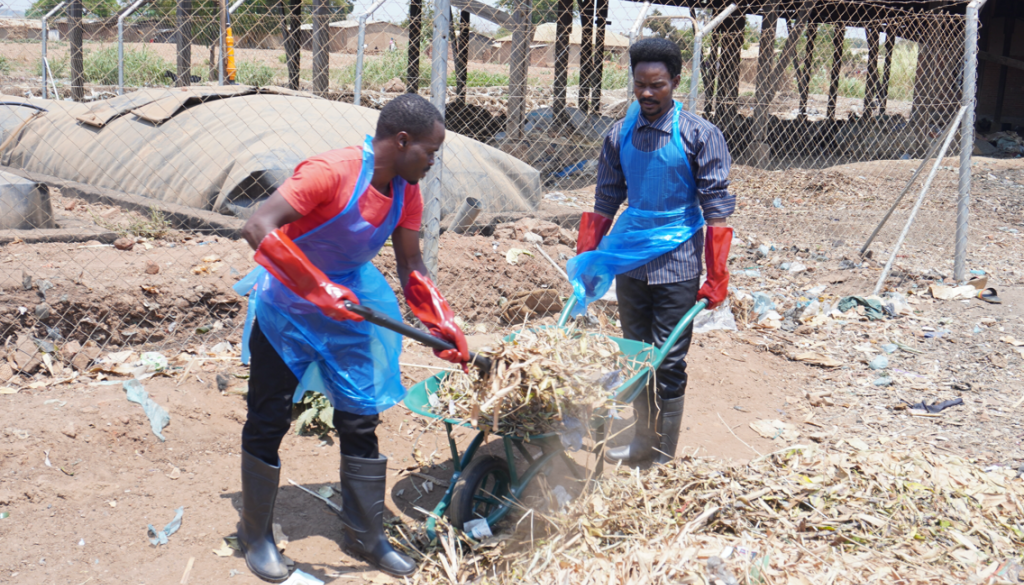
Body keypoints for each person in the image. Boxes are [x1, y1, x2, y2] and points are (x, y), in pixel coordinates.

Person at [233, 93, 468, 581]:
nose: (432, 160)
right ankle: (256, 536)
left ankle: (365, 533)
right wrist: (315, 288)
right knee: (269, 416)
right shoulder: (330, 172)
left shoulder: (407, 190)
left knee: (360, 419)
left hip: (350, 306)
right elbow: (258, 225)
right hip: (288, 307)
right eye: (430, 150)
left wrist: (440, 322)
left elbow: (410, 265)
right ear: (402, 141)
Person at [568, 37, 734, 468]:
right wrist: (589, 260)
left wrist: (716, 275)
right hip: (630, 260)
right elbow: (605, 201)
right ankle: (643, 441)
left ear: (675, 82)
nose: (646, 93)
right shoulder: (618, 134)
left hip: (678, 260)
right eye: (640, 84)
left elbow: (716, 209)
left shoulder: (700, 134)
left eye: (657, 84)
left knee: (669, 359)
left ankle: (662, 453)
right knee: (636, 353)